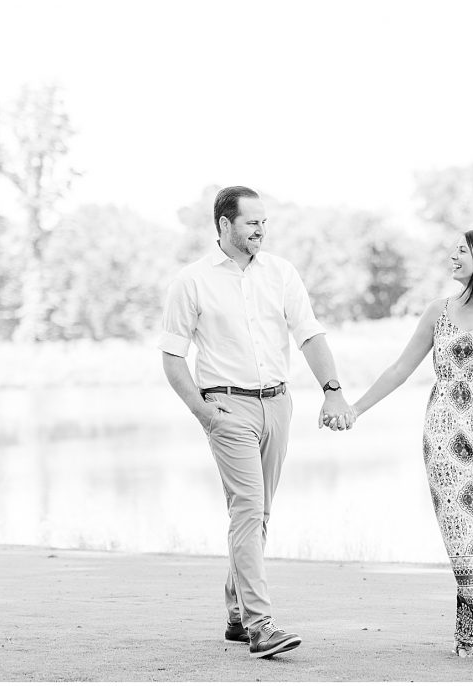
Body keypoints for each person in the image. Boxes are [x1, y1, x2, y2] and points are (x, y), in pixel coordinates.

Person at [158, 185, 356, 659]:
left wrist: (333, 391)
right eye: (251, 222)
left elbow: (309, 335)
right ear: (224, 225)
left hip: (278, 404)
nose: (260, 230)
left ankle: (234, 611)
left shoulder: (281, 273)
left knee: (259, 514)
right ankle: (260, 624)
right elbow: (172, 356)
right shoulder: (192, 281)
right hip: (228, 408)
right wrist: (203, 411)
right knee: (248, 507)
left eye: (264, 222)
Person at [351, 229, 473, 667]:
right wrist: (355, 408)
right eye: (454, 249)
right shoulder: (437, 311)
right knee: (464, 533)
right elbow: (400, 369)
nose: (452, 256)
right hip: (445, 436)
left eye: (461, 249)